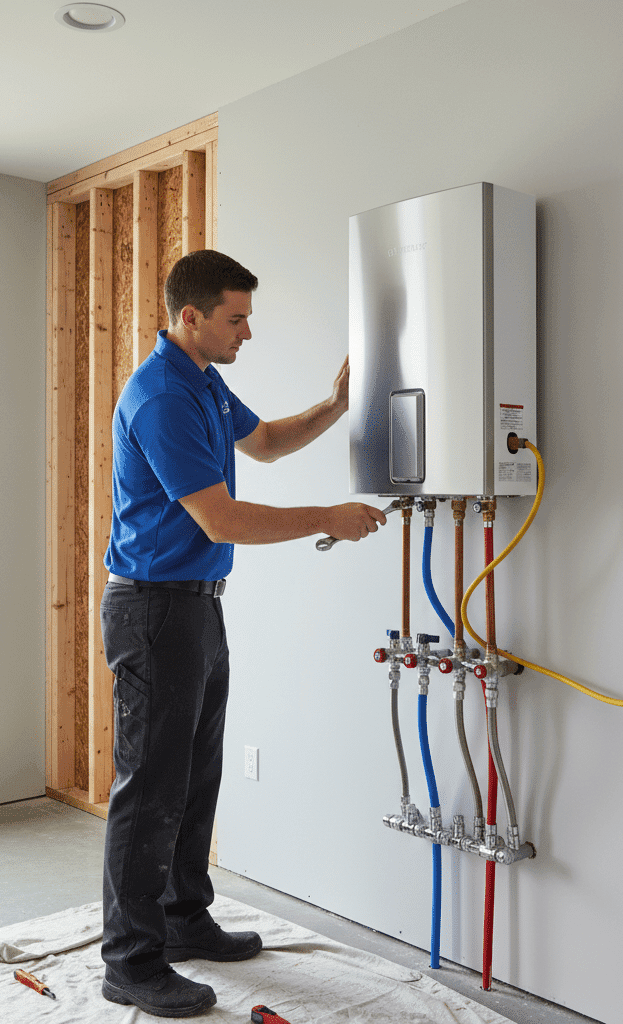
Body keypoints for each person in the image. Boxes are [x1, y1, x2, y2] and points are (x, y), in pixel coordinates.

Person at [99, 249, 386, 1017]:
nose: (248, 332)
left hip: (195, 604)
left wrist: (335, 403)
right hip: (153, 609)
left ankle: (183, 920)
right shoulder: (160, 395)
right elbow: (220, 517)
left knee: (195, 775)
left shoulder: (202, 381)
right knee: (150, 789)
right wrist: (326, 517)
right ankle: (130, 960)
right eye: (237, 317)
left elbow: (264, 443)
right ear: (190, 317)